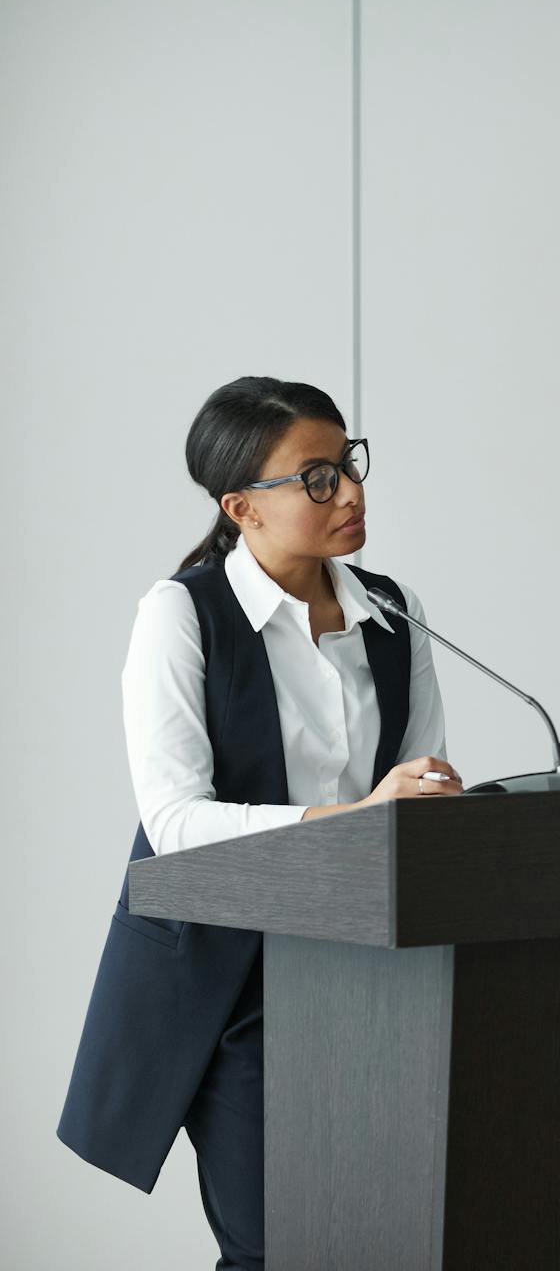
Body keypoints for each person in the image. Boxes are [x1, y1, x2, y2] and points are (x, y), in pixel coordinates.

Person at [56, 378, 464, 1270]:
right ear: (242, 508)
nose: (350, 493)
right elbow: (174, 824)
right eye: (316, 478)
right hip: (230, 970)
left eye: (349, 463)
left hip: (370, 964)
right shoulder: (182, 614)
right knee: (277, 1245)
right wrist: (353, 817)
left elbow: (419, 790)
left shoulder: (393, 611)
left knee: (383, 1239)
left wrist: (425, 808)